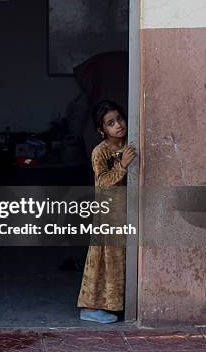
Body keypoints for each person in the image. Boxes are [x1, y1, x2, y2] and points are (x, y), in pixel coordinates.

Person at [77, 100, 137, 324]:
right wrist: (121, 166)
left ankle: (118, 304)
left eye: (119, 119)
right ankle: (91, 307)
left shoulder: (131, 144)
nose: (118, 125)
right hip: (109, 213)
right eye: (111, 123)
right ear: (102, 130)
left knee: (123, 260)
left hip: (128, 210)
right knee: (103, 260)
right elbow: (102, 182)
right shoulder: (99, 152)